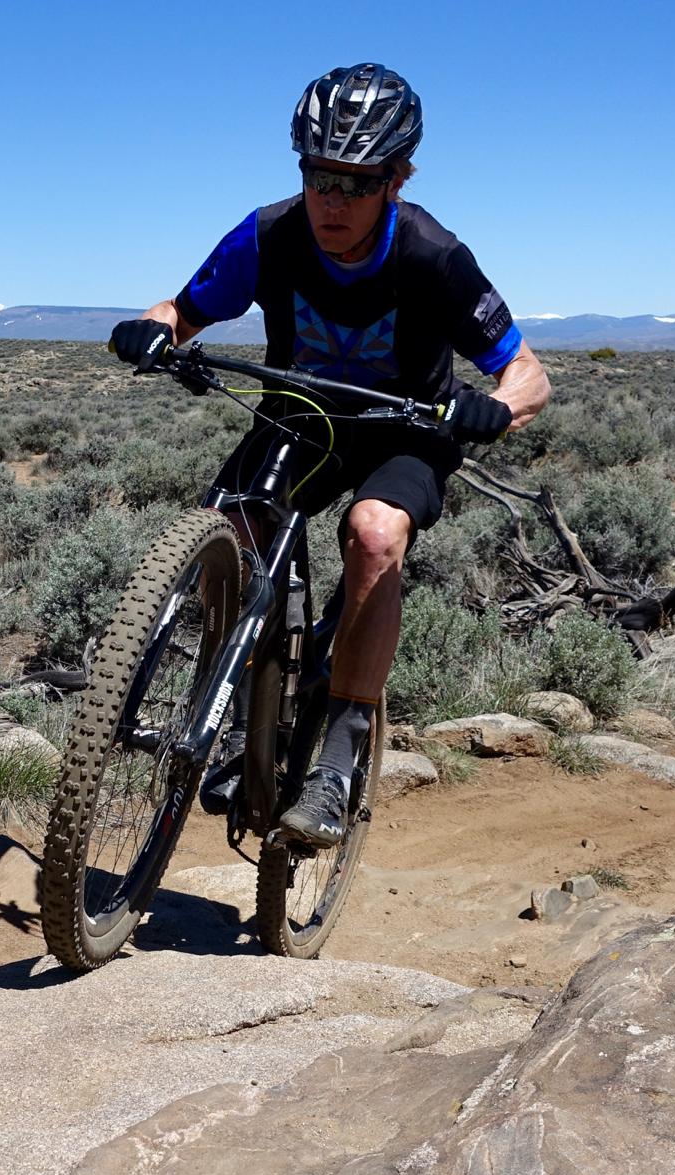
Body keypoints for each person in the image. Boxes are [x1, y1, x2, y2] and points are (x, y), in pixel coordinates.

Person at [110, 62, 550, 848]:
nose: (332, 201)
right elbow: (182, 309)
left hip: (406, 429)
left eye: (355, 182)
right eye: (320, 177)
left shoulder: (433, 256)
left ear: (397, 178)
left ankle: (340, 757)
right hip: (301, 417)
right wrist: (153, 331)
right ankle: (240, 712)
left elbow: (528, 372)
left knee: (374, 536)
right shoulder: (269, 234)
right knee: (230, 533)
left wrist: (497, 406)